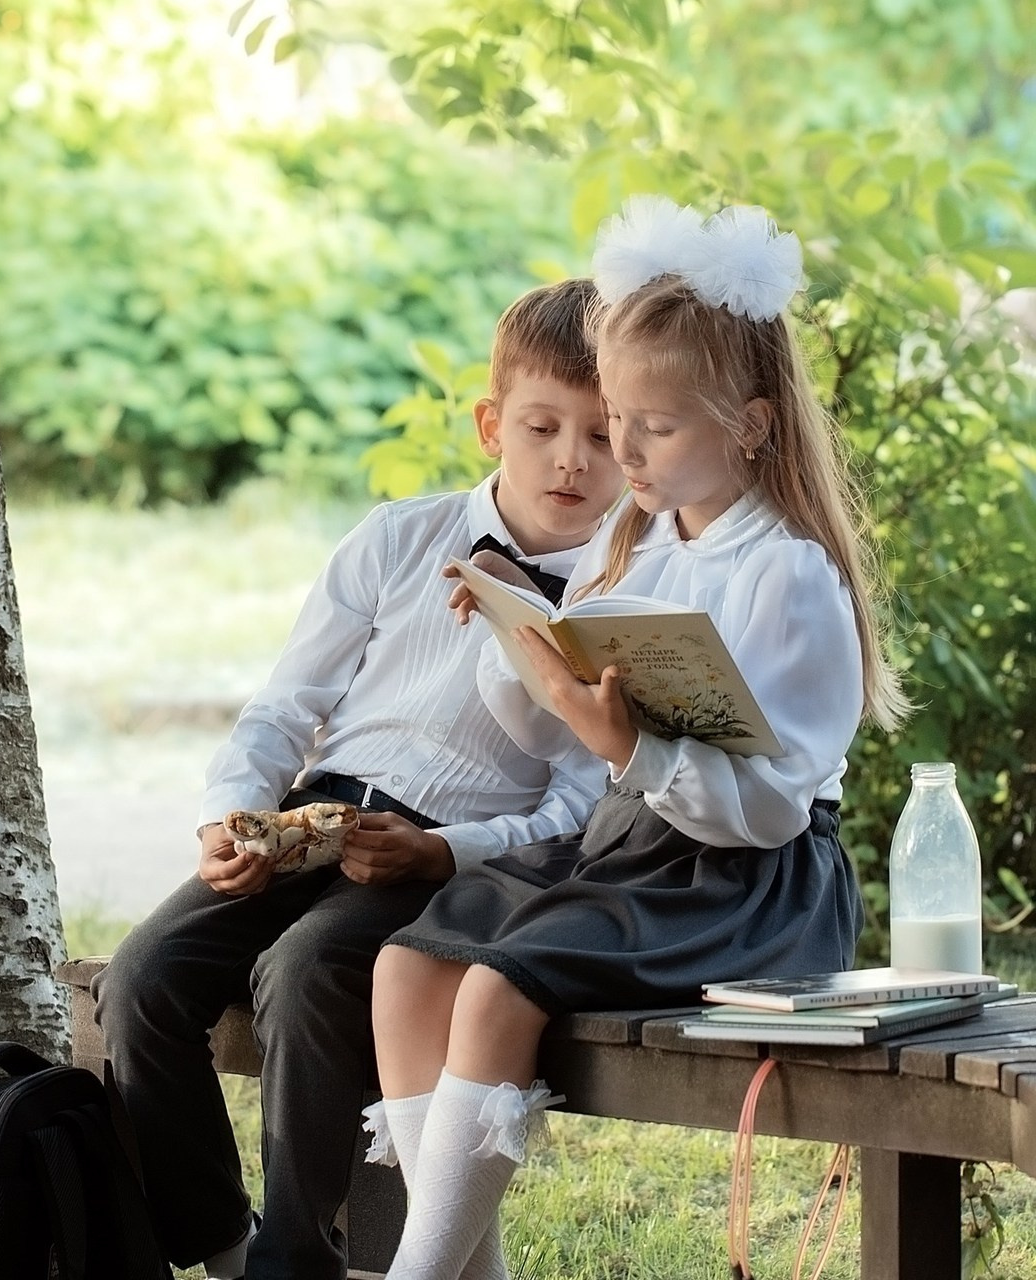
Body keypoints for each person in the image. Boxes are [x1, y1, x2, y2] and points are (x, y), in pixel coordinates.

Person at [362, 195, 911, 1280]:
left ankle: (416, 1274)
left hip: (746, 880)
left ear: (749, 425)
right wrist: (521, 644)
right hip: (633, 848)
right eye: (618, 420)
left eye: (654, 427)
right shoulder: (644, 535)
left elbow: (768, 805)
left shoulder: (785, 572)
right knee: (406, 963)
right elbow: (559, 716)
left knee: (494, 983)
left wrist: (634, 750)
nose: (624, 450)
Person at [91, 277, 626, 1280]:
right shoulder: (393, 537)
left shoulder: (613, 597)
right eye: (543, 425)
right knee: (140, 977)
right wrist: (233, 815)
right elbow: (281, 709)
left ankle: (296, 1260)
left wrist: (442, 847)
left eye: (600, 436)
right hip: (311, 819)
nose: (570, 458)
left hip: (444, 861)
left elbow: (573, 801)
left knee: (304, 974)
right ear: (488, 423)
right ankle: (219, 1244)